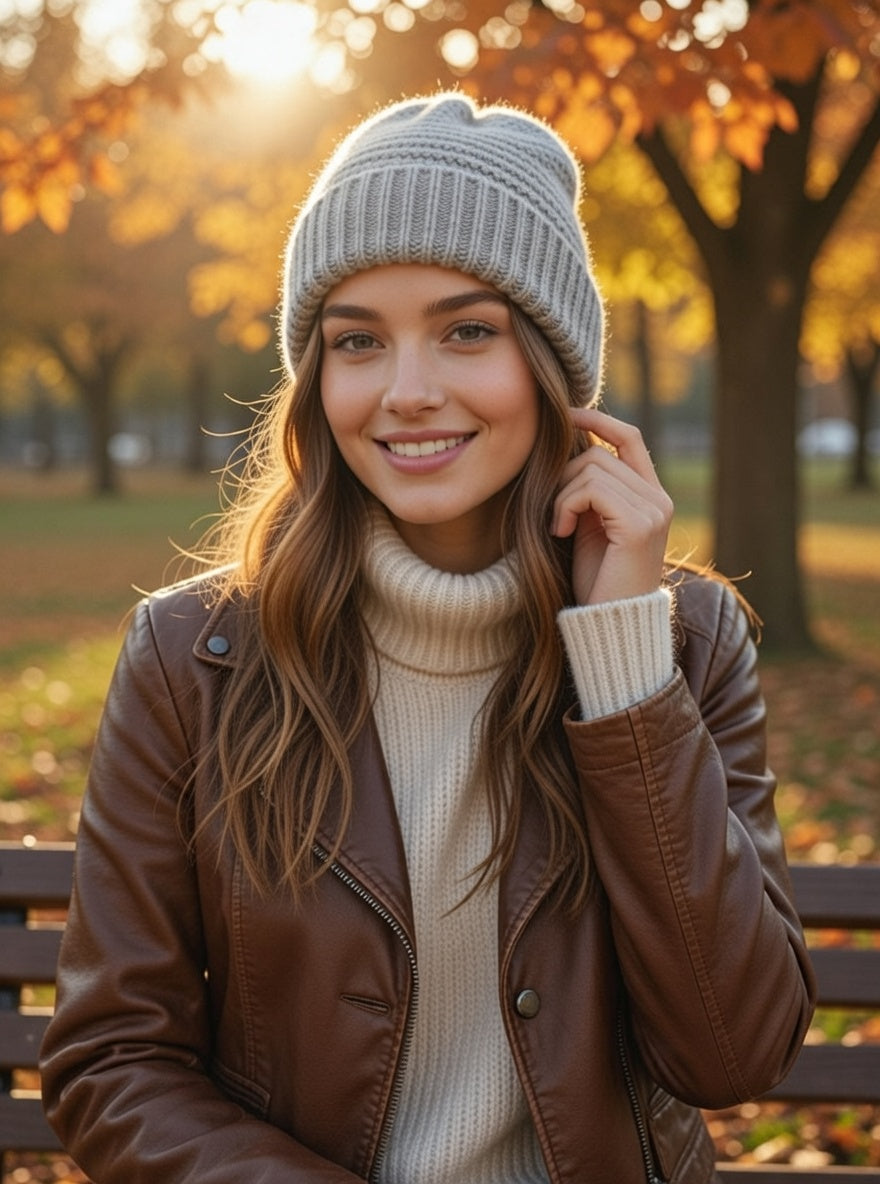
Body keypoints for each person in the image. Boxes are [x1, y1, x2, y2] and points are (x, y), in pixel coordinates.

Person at [40, 92, 815, 1184]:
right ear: (318, 381)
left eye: (466, 331)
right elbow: (112, 1062)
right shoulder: (190, 660)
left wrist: (622, 663)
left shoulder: (682, 639)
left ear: (551, 370)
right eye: (358, 340)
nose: (407, 392)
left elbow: (732, 1048)